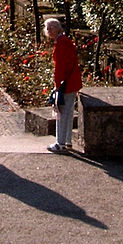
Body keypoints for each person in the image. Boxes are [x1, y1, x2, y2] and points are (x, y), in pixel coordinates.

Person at [44, 17, 82, 153]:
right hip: (72, 82)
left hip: (65, 83)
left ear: (57, 28)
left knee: (60, 112)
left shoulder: (60, 44)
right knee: (69, 112)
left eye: (51, 28)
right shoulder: (66, 41)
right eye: (47, 28)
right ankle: (67, 141)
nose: (49, 31)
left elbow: (60, 67)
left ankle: (60, 143)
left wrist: (57, 85)